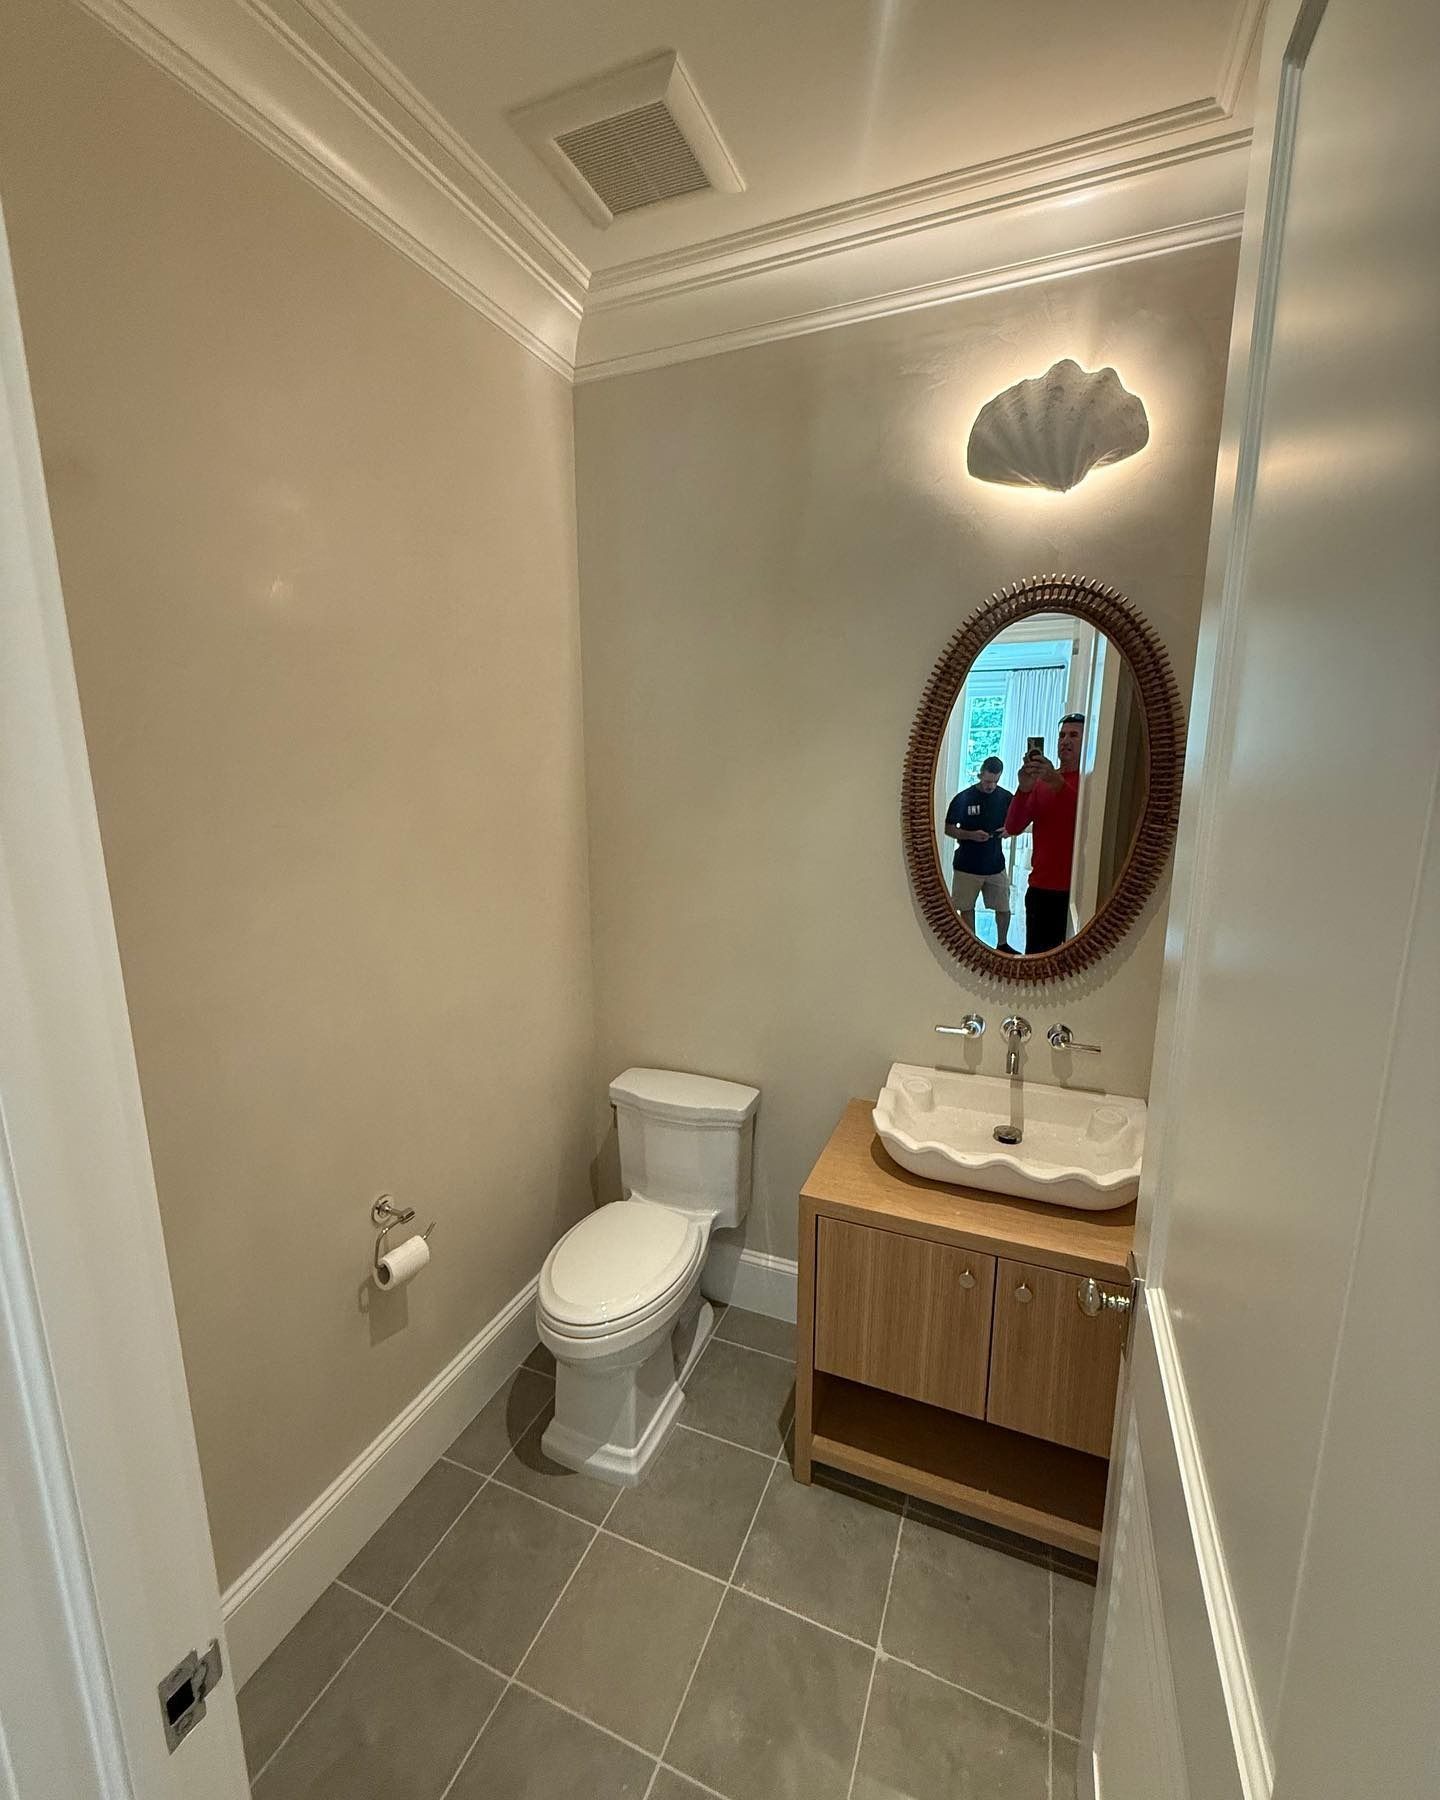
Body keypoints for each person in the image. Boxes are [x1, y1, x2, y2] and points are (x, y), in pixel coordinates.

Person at [1004, 713, 1084, 954]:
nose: (1065, 741)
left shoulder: (1091, 782)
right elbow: (1013, 826)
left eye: (1073, 735)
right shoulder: (1039, 785)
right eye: (1061, 735)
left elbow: (1082, 816)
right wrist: (1024, 788)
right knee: (1038, 964)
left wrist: (1056, 781)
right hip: (1041, 888)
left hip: (1078, 890)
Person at [944, 756, 1016, 952]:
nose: (990, 786)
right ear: (980, 774)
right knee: (965, 907)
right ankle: (971, 945)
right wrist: (970, 835)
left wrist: (1010, 830)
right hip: (967, 865)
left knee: (1003, 907)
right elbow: (948, 829)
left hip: (995, 864)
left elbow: (1018, 821)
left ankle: (1003, 944)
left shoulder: (1006, 798)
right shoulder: (963, 798)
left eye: (995, 781)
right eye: (987, 781)